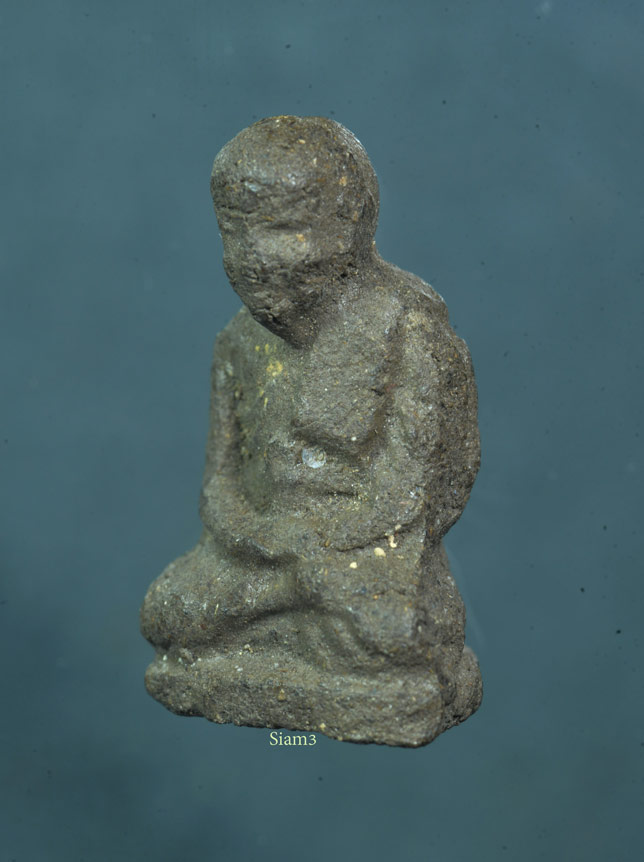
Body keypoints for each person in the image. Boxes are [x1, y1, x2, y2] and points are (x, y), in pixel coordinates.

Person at [140, 116, 481, 745]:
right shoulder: (237, 343)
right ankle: (286, 604)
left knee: (395, 629)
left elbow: (429, 490)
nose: (255, 256)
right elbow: (219, 487)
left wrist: (330, 548)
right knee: (169, 612)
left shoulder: (407, 330)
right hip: (264, 554)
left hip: (360, 562)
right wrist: (275, 545)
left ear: (349, 223)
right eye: (234, 232)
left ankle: (292, 612)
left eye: (281, 229)